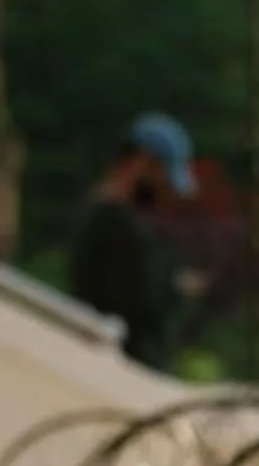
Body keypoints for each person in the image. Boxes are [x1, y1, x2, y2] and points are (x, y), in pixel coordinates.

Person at [68, 114, 197, 366]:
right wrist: (178, 287)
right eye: (162, 177)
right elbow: (140, 304)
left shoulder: (94, 213)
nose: (164, 191)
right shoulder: (117, 225)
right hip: (126, 366)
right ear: (141, 163)